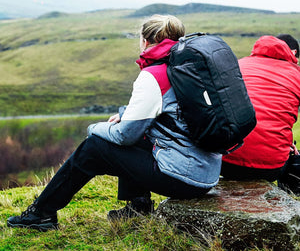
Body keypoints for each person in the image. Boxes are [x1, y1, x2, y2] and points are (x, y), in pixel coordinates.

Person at [7, 14, 222, 231]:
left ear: (145, 41)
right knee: (133, 126)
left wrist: (95, 128)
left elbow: (125, 135)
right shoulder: (188, 68)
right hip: (206, 173)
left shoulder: (154, 75)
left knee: (96, 146)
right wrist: (126, 115)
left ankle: (41, 213)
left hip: (183, 178)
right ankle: (138, 206)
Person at [221, 34, 300, 192]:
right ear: (293, 53)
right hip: (271, 167)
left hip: (224, 160)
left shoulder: (237, 65)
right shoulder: (296, 73)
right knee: (294, 157)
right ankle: (289, 199)